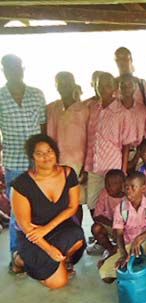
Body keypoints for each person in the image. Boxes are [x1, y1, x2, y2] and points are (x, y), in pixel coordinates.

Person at [10, 134, 86, 288]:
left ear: (55, 152)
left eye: (49, 151)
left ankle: (60, 261)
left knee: (77, 237)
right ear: (32, 157)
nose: (46, 156)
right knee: (59, 283)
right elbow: (26, 227)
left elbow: (73, 207)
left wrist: (47, 229)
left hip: (55, 229)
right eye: (40, 153)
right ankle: (20, 259)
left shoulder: (68, 173)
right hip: (33, 237)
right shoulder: (21, 184)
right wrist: (49, 249)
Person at [0, 54, 47, 267]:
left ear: (23, 68)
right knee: (17, 213)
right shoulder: (0, 98)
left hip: (39, 164)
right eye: (9, 68)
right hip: (14, 164)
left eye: (17, 67)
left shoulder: (36, 95)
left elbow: (44, 128)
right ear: (4, 71)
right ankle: (17, 255)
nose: (14, 71)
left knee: (41, 209)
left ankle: (40, 251)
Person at [98, 172, 146, 301]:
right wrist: (123, 254)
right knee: (106, 276)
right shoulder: (120, 208)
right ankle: (139, 267)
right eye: (126, 187)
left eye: (132, 187)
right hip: (130, 247)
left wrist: (140, 238)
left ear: (143, 189)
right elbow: (118, 234)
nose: (128, 190)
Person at [84, 72, 136, 216]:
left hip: (112, 167)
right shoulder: (92, 108)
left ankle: (117, 235)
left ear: (114, 88)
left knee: (115, 204)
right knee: (92, 203)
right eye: (99, 84)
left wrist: (123, 170)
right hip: (93, 166)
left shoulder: (123, 113)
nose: (103, 88)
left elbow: (127, 144)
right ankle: (102, 235)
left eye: (107, 85)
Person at [47, 71, 89, 224]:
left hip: (78, 164)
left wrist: (86, 166)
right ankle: (65, 240)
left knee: (76, 203)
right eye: (60, 83)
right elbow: (48, 138)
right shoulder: (52, 108)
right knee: (59, 204)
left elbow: (90, 139)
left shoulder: (84, 109)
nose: (63, 86)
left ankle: (77, 238)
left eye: (66, 82)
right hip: (56, 164)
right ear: (56, 86)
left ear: (73, 84)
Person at [89, 169, 125, 257]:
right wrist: (114, 225)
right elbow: (97, 216)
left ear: (122, 184)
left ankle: (122, 250)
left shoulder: (128, 196)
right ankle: (111, 250)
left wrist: (119, 227)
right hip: (111, 225)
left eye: (113, 184)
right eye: (106, 183)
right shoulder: (104, 194)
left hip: (127, 228)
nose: (108, 187)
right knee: (96, 228)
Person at [114, 47, 146, 113]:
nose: (122, 62)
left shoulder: (142, 84)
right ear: (115, 61)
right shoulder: (111, 85)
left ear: (131, 59)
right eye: (118, 60)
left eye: (125, 59)